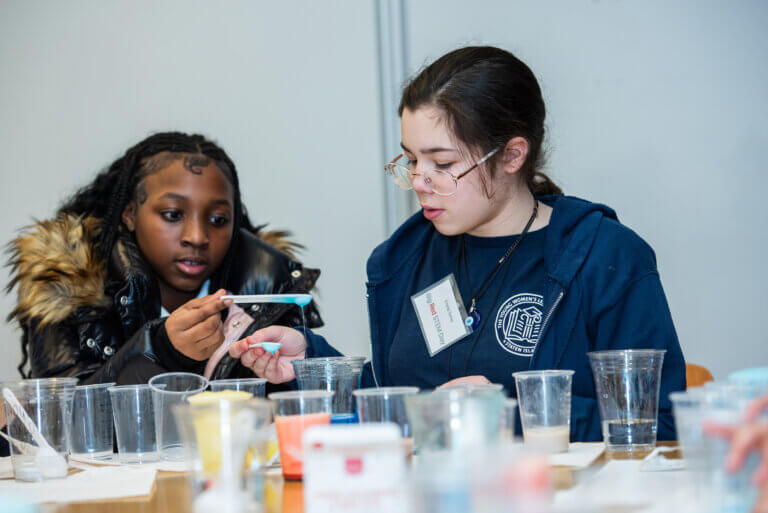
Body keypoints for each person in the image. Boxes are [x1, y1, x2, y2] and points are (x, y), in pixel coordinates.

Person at [229, 46, 686, 441]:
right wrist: (314, 362)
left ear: (511, 154)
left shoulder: (603, 257)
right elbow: (403, 400)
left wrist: (510, 412)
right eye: (410, 160)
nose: (419, 183)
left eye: (442, 164)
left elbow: (659, 424)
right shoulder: (403, 259)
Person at [6, 131, 322, 385]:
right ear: (130, 214)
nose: (197, 236)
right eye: (172, 214)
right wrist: (159, 349)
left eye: (218, 220)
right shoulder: (68, 286)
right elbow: (61, 424)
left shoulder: (273, 288)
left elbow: (299, 413)